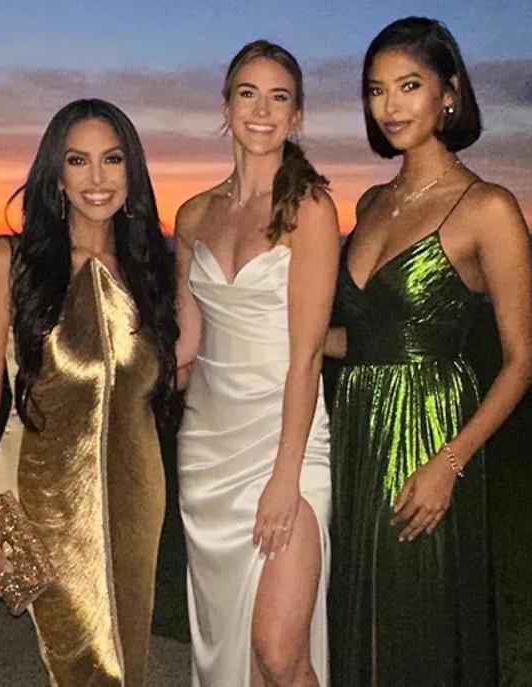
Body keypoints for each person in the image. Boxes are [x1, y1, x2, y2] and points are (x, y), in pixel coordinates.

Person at [325, 17, 532, 687]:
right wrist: (267, 337)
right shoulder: (370, 202)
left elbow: (522, 360)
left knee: (418, 609)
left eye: (408, 85)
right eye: (376, 89)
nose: (389, 106)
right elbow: (360, 339)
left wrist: (451, 462)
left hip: (429, 431)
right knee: (360, 607)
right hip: (354, 427)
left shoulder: (488, 207)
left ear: (449, 93)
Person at [0, 98, 177, 687]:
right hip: (40, 494)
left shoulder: (150, 268)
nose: (97, 178)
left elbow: (177, 373)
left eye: (112, 159)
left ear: (133, 171)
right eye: (78, 160)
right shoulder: (8, 262)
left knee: (128, 660)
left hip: (138, 493)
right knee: (84, 663)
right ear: (55, 173)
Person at [174, 40, 340, 687]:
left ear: (297, 116)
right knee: (240, 654)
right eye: (248, 93)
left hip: (285, 439)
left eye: (279, 97)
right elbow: (187, 343)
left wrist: (285, 477)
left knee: (278, 651)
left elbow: (307, 356)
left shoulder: (310, 210)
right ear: (226, 107)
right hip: (207, 450)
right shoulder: (193, 215)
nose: (262, 110)